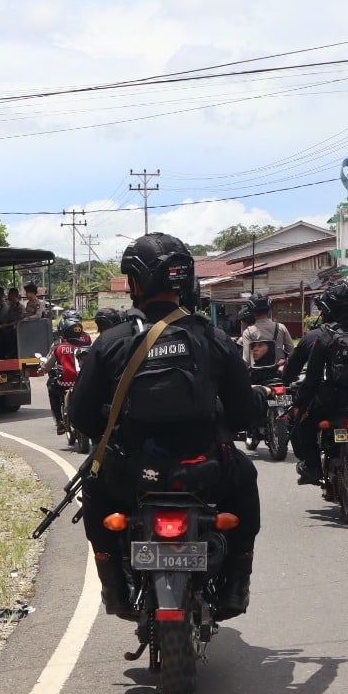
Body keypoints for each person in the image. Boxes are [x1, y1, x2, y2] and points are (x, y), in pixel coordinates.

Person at [69, 233, 264, 620]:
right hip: (205, 470)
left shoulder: (110, 343)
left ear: (136, 284)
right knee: (245, 482)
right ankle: (237, 583)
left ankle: (114, 587)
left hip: (131, 472)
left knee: (93, 492)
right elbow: (245, 415)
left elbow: (80, 416)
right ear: (185, 282)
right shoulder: (214, 339)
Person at [282, 281, 348, 485]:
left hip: (331, 400)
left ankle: (312, 467)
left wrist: (300, 405)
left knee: (301, 419)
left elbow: (313, 379)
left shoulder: (324, 336)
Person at [46, 314, 91, 432]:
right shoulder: (87, 345)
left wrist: (43, 368)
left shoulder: (59, 346)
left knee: (51, 387)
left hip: (64, 383)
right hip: (83, 383)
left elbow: (48, 364)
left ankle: (59, 421)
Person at [239, 296, 294, 366]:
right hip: (278, 372)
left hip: (257, 374)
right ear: (269, 309)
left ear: (252, 312)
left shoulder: (248, 332)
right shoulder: (281, 327)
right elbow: (291, 351)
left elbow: (247, 360)